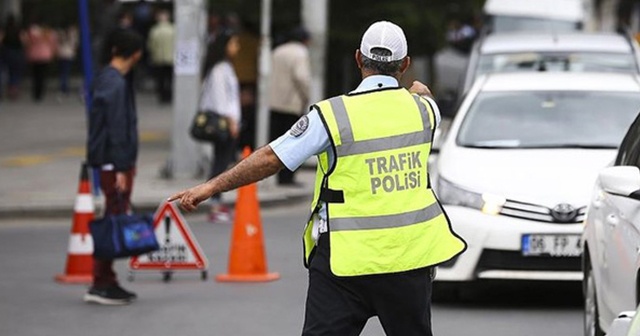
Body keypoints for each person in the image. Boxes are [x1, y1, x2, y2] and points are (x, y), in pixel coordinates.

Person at [169, 21, 467, 335]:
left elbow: (272, 158)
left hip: (344, 261)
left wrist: (211, 186)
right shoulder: (424, 111)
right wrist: (415, 90)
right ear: (405, 65)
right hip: (408, 260)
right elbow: (422, 93)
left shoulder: (332, 116)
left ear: (357, 59)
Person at [85, 29, 144, 305]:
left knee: (113, 216)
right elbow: (117, 129)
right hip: (114, 164)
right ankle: (101, 282)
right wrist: (122, 167)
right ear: (136, 54)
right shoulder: (116, 84)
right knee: (112, 219)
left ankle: (105, 279)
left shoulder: (106, 78)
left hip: (110, 162)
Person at [199, 29, 242, 223]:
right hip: (223, 123)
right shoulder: (219, 69)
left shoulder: (225, 67)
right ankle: (214, 202)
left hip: (228, 121)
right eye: (233, 43)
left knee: (222, 161)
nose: (237, 47)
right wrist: (231, 121)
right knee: (220, 162)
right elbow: (221, 99)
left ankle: (216, 200)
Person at [268, 26, 311, 186]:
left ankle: (279, 176)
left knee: (278, 141)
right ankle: (288, 177)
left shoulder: (277, 51)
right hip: (291, 103)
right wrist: (305, 96)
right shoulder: (300, 53)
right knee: (294, 142)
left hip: (274, 102)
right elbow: (301, 77)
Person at [22, 17, 57, 102]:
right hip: (45, 55)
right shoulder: (50, 32)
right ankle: (41, 93)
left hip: (34, 55)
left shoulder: (32, 31)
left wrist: (26, 53)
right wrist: (53, 53)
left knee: (35, 75)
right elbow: (53, 44)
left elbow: (27, 42)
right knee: (43, 76)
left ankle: (35, 93)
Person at [147, 10, 175, 104]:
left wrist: (153, 55)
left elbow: (151, 45)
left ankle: (162, 96)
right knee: (169, 78)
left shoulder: (154, 30)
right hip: (171, 58)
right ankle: (169, 95)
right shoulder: (173, 29)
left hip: (158, 58)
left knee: (160, 79)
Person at [1, 14, 24, 100]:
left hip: (6, 52)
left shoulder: (4, 29)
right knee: (15, 72)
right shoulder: (18, 29)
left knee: (3, 71)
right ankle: (13, 90)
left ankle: (2, 89)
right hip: (17, 52)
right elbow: (23, 40)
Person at [56, 22, 78, 97]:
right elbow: (75, 45)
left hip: (61, 54)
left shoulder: (60, 33)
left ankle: (63, 87)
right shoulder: (72, 34)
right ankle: (65, 88)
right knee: (66, 72)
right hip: (69, 54)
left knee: (62, 72)